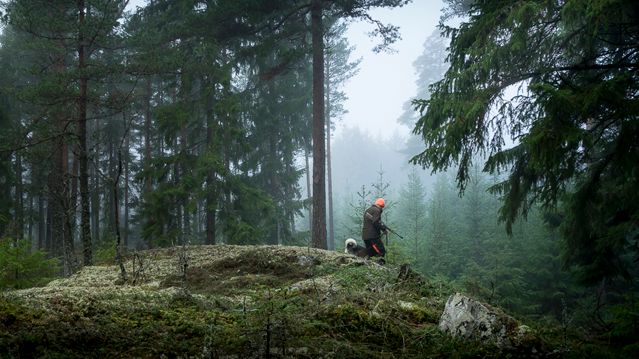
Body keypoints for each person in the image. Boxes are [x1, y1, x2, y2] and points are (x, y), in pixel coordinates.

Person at [361, 197, 388, 262]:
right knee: (381, 251)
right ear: (381, 206)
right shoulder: (377, 210)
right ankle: (380, 267)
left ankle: (368, 265)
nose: (382, 208)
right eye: (382, 207)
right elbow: (376, 222)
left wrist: (383, 227)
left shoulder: (368, 210)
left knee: (371, 253)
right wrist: (384, 229)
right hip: (373, 236)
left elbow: (373, 221)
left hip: (365, 236)